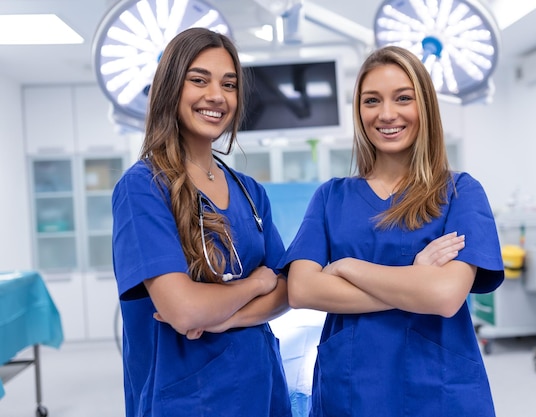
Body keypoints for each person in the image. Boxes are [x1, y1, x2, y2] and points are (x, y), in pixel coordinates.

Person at [279, 45, 505, 417]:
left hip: (439, 392)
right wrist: (416, 282)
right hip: (352, 390)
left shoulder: (460, 192)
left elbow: (446, 296)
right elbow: (302, 289)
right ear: (359, 111)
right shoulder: (331, 197)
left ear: (426, 108)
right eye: (372, 101)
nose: (386, 114)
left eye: (403, 98)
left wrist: (349, 267)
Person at [112, 28, 292, 417]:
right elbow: (184, 311)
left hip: (261, 391)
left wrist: (227, 317)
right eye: (199, 80)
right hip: (187, 399)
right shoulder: (143, 188)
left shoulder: (250, 192)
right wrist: (257, 283)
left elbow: (286, 291)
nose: (217, 95)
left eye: (229, 84)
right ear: (170, 89)